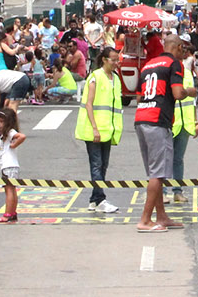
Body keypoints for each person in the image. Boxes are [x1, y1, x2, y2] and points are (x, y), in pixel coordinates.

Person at [134, 33, 190, 233]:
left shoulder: (148, 65)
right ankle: (145, 220)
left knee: (153, 173)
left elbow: (139, 98)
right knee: (159, 173)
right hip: (158, 121)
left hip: (141, 118)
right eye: (182, 49)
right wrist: (189, 91)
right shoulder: (174, 64)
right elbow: (177, 93)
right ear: (178, 47)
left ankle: (162, 216)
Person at [75, 46, 123, 214]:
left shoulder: (115, 78)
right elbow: (89, 104)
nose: (116, 63)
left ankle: (94, 200)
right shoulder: (95, 77)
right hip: (94, 129)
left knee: (103, 166)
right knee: (96, 165)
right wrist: (95, 128)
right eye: (113, 60)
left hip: (108, 130)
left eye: (118, 60)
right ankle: (100, 199)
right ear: (104, 59)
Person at [168, 36, 198, 204]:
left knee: (178, 159)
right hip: (170, 122)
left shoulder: (187, 73)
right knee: (165, 158)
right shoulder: (167, 71)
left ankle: (177, 190)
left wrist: (195, 122)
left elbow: (192, 100)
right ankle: (164, 190)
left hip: (184, 123)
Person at [0, 107, 26, 224]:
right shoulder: (5, 134)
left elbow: (22, 136)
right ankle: (12, 213)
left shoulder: (11, 132)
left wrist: (14, 145)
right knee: (11, 189)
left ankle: (7, 214)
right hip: (8, 166)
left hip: (9, 166)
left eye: (2, 122)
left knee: (9, 190)